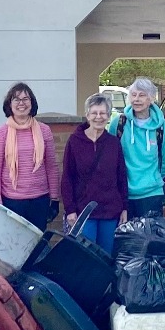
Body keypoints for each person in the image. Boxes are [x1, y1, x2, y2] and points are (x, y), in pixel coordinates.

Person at [61, 92, 128, 255]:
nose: (99, 117)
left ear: (108, 115)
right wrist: (70, 209)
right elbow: (67, 177)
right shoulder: (75, 141)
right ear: (87, 115)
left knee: (106, 256)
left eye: (103, 113)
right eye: (94, 113)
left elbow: (121, 177)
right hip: (84, 212)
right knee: (86, 257)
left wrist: (124, 208)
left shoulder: (113, 143)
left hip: (110, 210)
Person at [0, 82, 60, 231]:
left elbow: (51, 166)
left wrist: (54, 199)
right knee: (12, 248)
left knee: (36, 247)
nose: (21, 103)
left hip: (39, 200)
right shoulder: (1, 133)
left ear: (32, 103)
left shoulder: (44, 130)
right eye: (16, 99)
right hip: (11, 202)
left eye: (25, 99)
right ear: (9, 104)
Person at [108, 76, 165, 219]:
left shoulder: (162, 127)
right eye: (133, 94)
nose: (136, 99)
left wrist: (153, 179)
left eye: (142, 95)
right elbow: (110, 157)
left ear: (151, 99)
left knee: (150, 239)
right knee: (126, 240)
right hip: (124, 194)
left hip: (152, 193)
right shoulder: (118, 123)